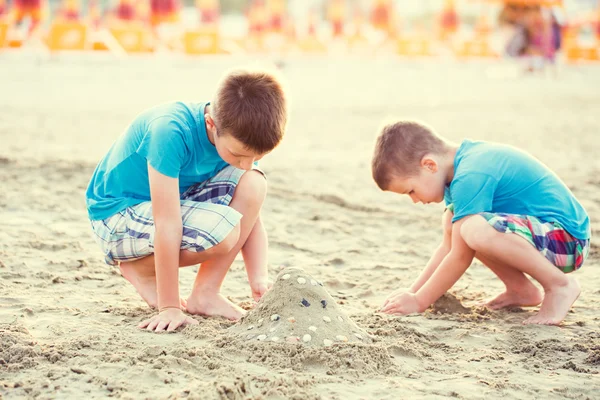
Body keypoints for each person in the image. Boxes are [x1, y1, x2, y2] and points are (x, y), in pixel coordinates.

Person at [85, 68, 288, 332]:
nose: (246, 164)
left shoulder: (238, 134)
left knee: (254, 184)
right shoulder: (170, 131)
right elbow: (167, 223)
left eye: (257, 156)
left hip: (169, 203)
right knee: (224, 231)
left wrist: (258, 278)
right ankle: (141, 269)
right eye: (239, 156)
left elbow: (251, 216)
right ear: (210, 124)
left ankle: (206, 293)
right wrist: (169, 307)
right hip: (116, 215)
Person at [372, 120, 590, 325]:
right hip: (546, 237)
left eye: (411, 190)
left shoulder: (471, 173)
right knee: (455, 223)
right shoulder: (457, 173)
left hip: (568, 240)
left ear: (429, 165)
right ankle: (520, 289)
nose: (415, 200)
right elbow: (448, 246)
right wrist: (412, 293)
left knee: (473, 229)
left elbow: (459, 256)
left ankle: (559, 285)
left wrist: (420, 302)